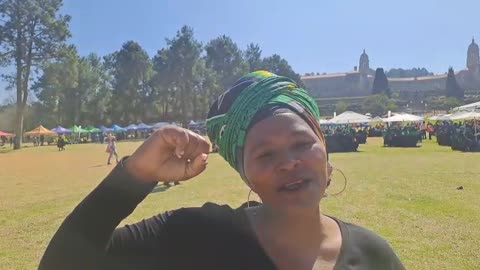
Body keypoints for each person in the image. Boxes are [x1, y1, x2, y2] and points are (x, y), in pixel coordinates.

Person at [39, 71, 405, 270]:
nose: (288, 163)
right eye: (265, 154)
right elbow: (63, 263)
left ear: (323, 148)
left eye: (300, 143)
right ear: (245, 173)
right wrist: (135, 174)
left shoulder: (375, 256)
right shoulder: (197, 236)